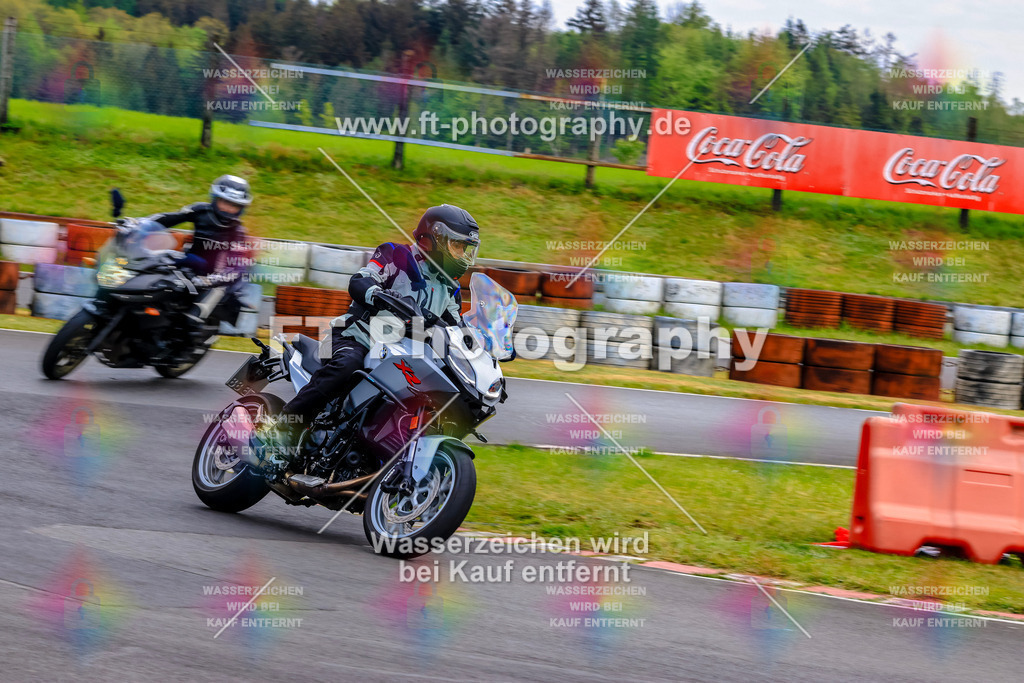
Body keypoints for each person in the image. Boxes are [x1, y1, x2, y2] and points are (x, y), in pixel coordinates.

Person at [253, 204, 481, 471]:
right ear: (434, 238)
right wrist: (379, 294)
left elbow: (457, 327)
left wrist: (484, 344)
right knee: (347, 366)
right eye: (457, 246)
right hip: (357, 335)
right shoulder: (395, 255)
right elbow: (360, 280)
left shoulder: (449, 288)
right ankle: (281, 429)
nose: (462, 255)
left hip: (405, 352)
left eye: (465, 249)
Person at [145, 175, 254, 328]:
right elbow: (168, 218)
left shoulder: (239, 232)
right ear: (215, 198)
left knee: (191, 320)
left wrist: (210, 280)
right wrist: (141, 223)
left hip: (216, 281)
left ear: (241, 208)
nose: (229, 208)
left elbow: (237, 268)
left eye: (234, 205)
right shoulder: (200, 210)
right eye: (225, 202)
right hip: (188, 267)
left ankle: (186, 344)